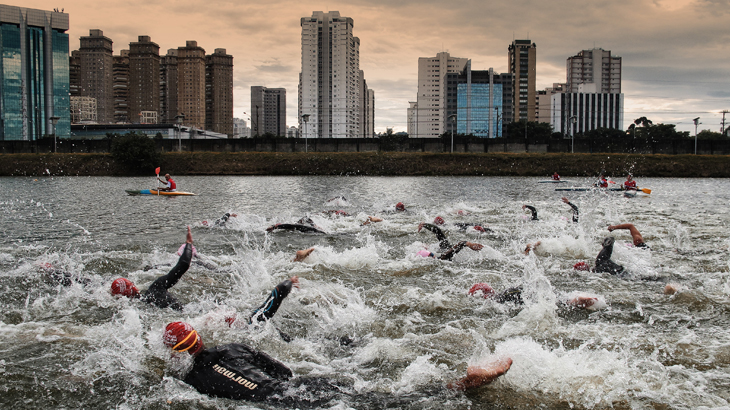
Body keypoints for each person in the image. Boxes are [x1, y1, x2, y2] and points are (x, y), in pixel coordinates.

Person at [161, 321, 511, 402]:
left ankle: (461, 386)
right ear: (200, 338)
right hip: (297, 387)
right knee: (376, 394)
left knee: (385, 404)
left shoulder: (190, 381)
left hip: (282, 403)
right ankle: (458, 384)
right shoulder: (234, 347)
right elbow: (283, 371)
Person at [110, 226, 194, 310]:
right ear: (133, 286)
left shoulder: (132, 311)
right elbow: (184, 264)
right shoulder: (155, 290)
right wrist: (188, 243)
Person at [417, 241, 484, 261]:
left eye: (432, 254)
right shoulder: (441, 259)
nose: (433, 256)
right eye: (431, 255)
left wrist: (469, 244)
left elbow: (460, 244)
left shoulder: (442, 258)